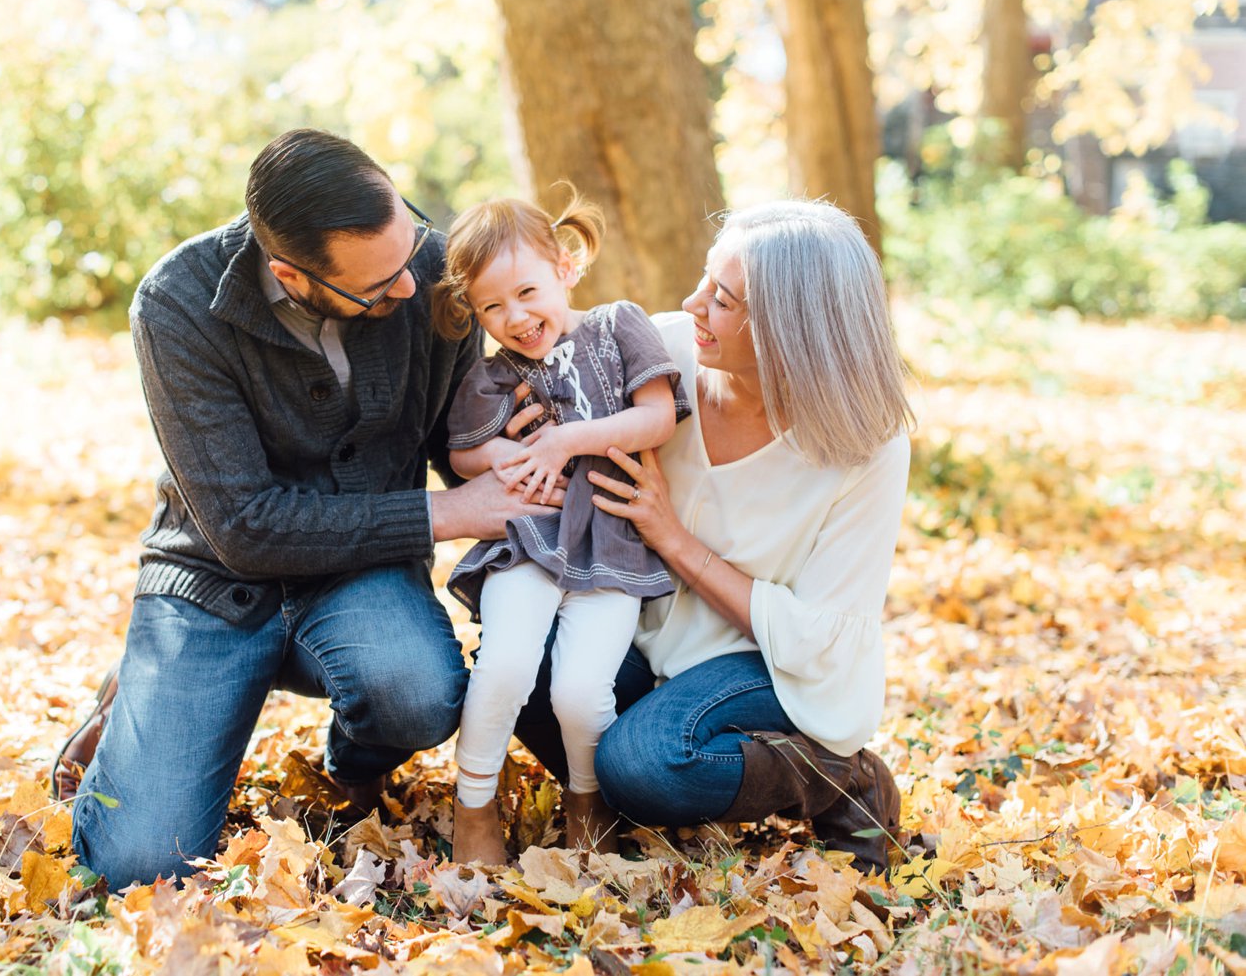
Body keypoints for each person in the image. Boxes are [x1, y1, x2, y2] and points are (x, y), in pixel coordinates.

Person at [58, 128, 555, 889]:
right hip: (215, 581)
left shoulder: (423, 269)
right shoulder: (177, 304)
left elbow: (447, 437)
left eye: (410, 243)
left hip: (359, 579)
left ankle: (349, 767)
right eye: (378, 286)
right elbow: (246, 527)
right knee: (138, 864)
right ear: (291, 275)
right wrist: (452, 512)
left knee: (418, 691)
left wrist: (505, 444)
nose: (411, 289)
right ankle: (141, 693)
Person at [511, 200, 912, 873]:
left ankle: (841, 779)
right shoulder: (658, 354)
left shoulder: (865, 442)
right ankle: (634, 780)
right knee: (519, 667)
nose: (693, 304)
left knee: (643, 764)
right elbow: (535, 373)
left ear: (791, 331)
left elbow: (817, 640)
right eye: (705, 280)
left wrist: (673, 537)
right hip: (638, 631)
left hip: (767, 661)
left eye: (722, 299)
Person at [431, 193, 689, 864]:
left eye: (526, 291)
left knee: (580, 691)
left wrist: (570, 439)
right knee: (508, 663)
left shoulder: (616, 325)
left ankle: (586, 798)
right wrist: (498, 455)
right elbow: (461, 454)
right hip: (528, 539)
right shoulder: (491, 374)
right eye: (492, 307)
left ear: (565, 268)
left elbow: (657, 417)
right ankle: (475, 801)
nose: (514, 317)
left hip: (612, 547)